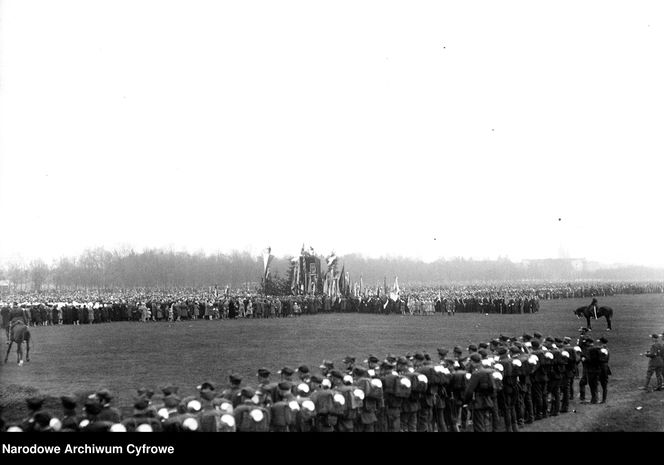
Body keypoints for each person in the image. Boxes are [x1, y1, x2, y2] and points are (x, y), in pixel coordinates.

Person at [597, 337, 611, 403]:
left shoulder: (603, 349)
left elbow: (602, 358)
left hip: (602, 367)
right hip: (604, 367)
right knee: (603, 384)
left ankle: (603, 399)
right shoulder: (605, 348)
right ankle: (602, 399)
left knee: (603, 384)